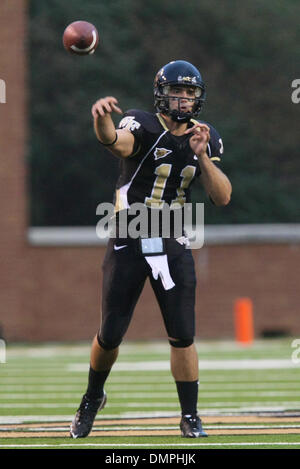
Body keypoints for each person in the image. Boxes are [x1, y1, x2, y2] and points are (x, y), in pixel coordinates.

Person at [70, 60, 232, 439]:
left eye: (191, 92)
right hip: (129, 234)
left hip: (173, 236)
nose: (184, 99)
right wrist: (101, 119)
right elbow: (114, 142)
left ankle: (190, 415)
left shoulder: (207, 135)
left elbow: (222, 196)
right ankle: (93, 397)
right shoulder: (140, 123)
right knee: (110, 333)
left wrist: (202, 155)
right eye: (178, 91)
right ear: (162, 93)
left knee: (182, 333)